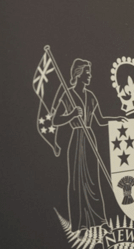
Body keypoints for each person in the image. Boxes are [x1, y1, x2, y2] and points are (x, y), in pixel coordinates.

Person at [51, 58, 126, 237]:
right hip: (77, 139)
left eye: (90, 73)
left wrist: (115, 119)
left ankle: (100, 221)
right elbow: (55, 120)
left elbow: (99, 120)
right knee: (77, 182)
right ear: (78, 74)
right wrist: (71, 115)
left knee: (93, 181)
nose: (90, 76)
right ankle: (79, 225)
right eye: (87, 73)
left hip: (90, 138)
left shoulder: (90, 96)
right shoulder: (67, 94)